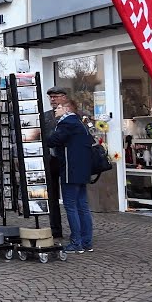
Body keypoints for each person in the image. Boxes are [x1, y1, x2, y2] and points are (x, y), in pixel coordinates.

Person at [49, 99, 94, 253]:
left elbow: (53, 140)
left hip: (70, 170)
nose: (55, 109)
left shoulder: (67, 123)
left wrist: (35, 134)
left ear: (67, 109)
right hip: (82, 170)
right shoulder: (80, 123)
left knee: (71, 206)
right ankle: (87, 241)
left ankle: (76, 242)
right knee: (82, 206)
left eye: (59, 107)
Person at [40, 87, 70, 239]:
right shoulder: (45, 116)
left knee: (70, 198)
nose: (53, 100)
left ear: (64, 97)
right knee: (52, 197)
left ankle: (75, 230)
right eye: (51, 97)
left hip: (67, 160)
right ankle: (55, 229)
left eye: (56, 97)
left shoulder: (72, 115)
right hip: (50, 160)